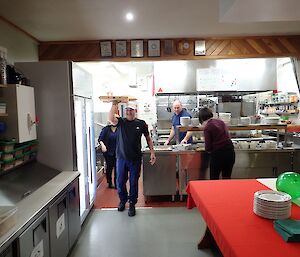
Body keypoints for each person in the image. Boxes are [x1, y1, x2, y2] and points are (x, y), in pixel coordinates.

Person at [109, 100, 156, 217]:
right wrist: (113, 104)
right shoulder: (121, 122)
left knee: (134, 182)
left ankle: (132, 204)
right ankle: (122, 200)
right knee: (120, 182)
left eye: (131, 110)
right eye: (127, 110)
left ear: (135, 111)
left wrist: (152, 152)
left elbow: (148, 138)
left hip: (135, 159)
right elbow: (111, 118)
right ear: (125, 112)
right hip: (121, 158)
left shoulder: (141, 123)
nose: (129, 112)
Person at [198, 107, 235, 180]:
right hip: (230, 153)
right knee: (227, 178)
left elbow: (208, 147)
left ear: (201, 118)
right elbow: (227, 135)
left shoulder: (207, 127)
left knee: (214, 180)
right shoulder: (220, 122)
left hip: (218, 155)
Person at [98, 122, 118, 188]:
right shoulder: (106, 129)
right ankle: (109, 182)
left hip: (118, 152)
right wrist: (103, 145)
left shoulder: (120, 129)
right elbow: (100, 139)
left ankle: (116, 183)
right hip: (108, 152)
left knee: (117, 168)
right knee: (109, 168)